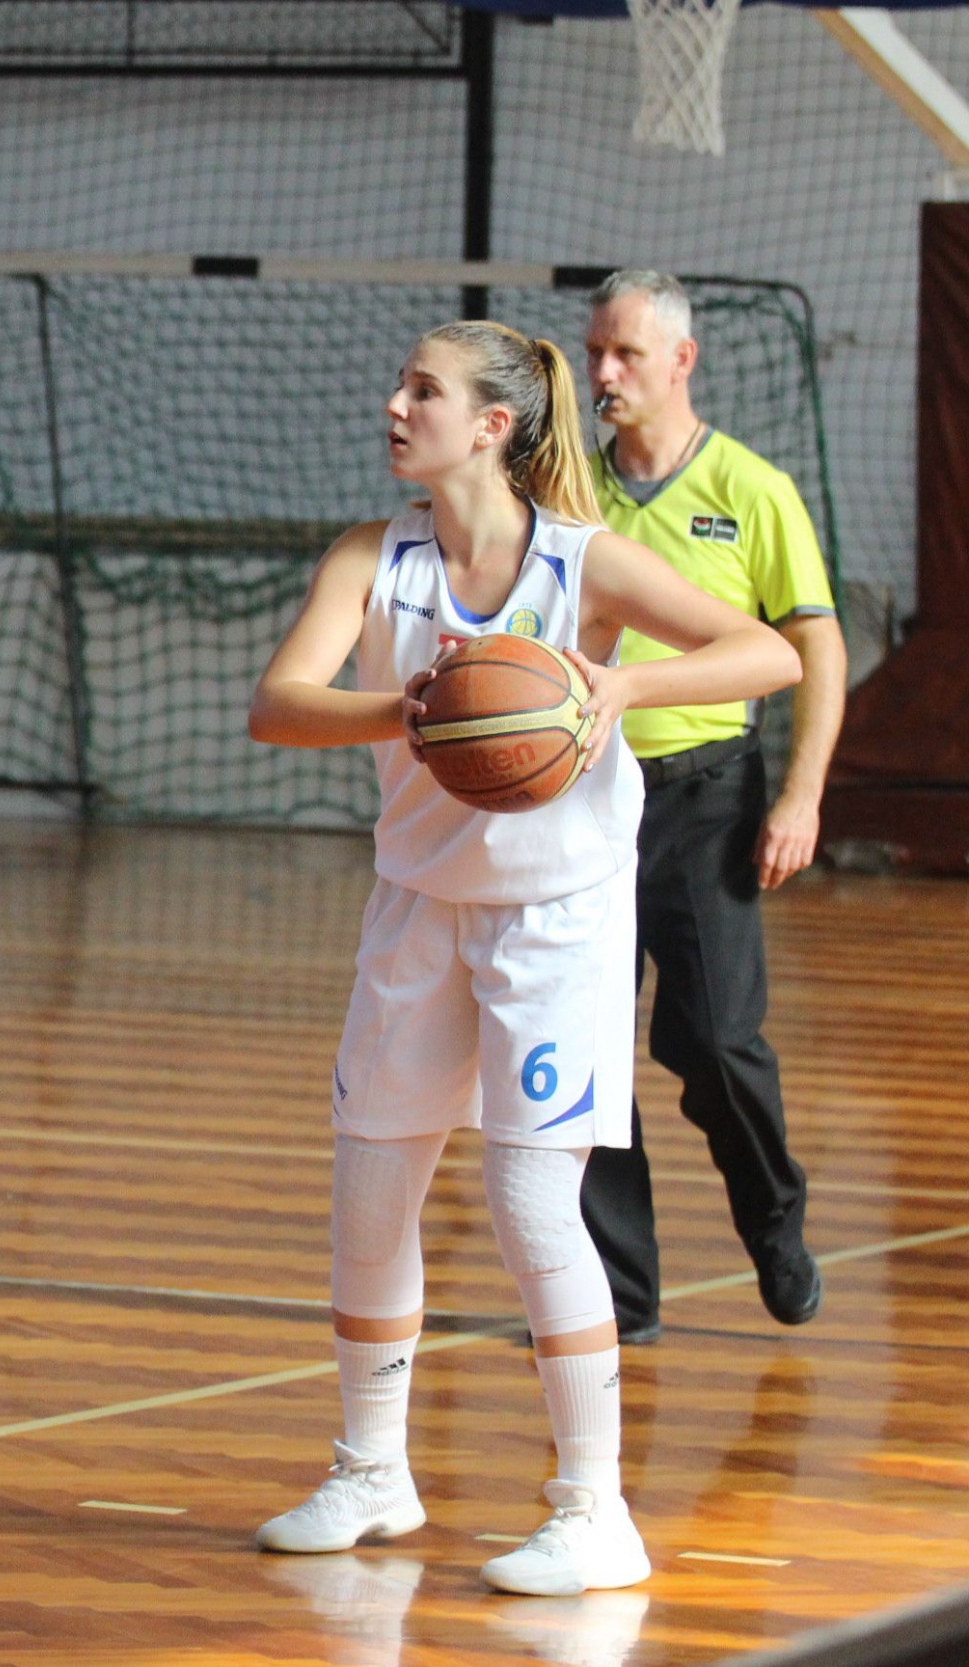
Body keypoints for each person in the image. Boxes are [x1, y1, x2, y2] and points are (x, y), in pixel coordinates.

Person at [247, 321, 797, 1594]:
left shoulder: (581, 560)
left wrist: (618, 689)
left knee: (533, 1202)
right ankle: (370, 1470)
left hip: (554, 921)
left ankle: (595, 1510)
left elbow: (764, 649)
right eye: (399, 385)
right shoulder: (371, 557)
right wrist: (414, 708)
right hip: (416, 907)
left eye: (422, 390)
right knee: (368, 1195)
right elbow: (276, 704)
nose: (394, 405)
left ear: (492, 424)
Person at [580, 269, 845, 1343]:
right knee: (587, 1052)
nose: (603, 373)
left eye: (626, 354)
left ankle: (775, 1225)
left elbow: (815, 644)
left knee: (716, 1042)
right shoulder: (567, 494)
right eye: (594, 353)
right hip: (585, 800)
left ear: (682, 360)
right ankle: (620, 1299)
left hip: (706, 796)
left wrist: (802, 793)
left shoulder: (752, 488)